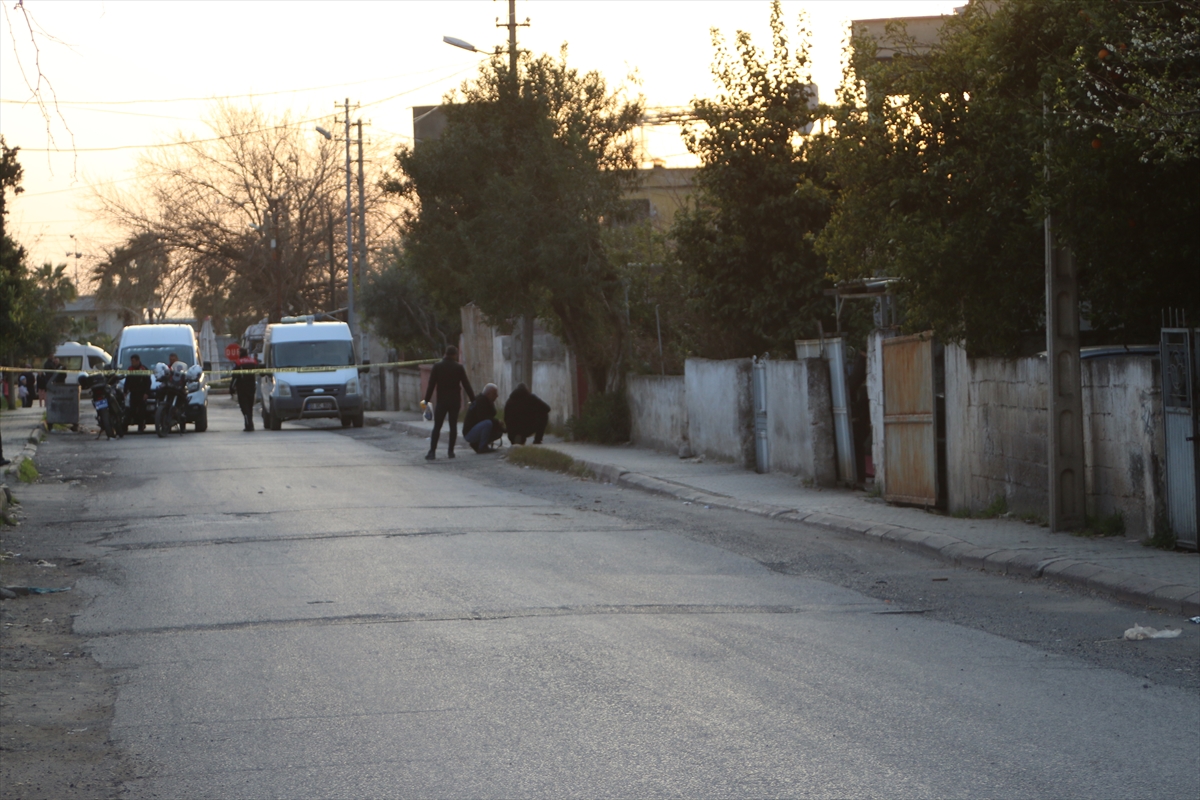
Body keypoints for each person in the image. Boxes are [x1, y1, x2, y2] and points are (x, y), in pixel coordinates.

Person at [423, 345, 475, 460]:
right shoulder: (459, 367)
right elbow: (466, 384)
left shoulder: (437, 367)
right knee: (453, 426)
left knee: (437, 426)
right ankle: (450, 451)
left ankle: (432, 451)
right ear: (454, 355)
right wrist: (473, 399)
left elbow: (431, 385)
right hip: (455, 401)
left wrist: (426, 400)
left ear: (445, 354)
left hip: (442, 401)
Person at [462, 383, 505, 454]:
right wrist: (497, 422)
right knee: (488, 423)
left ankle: (477, 444)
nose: (496, 396)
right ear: (488, 394)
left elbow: (493, 413)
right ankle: (482, 447)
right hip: (469, 433)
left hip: (475, 430)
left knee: (497, 432)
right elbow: (483, 418)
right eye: (494, 394)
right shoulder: (481, 401)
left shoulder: (486, 400)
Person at [232, 348, 258, 431]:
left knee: (244, 407)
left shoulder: (239, 362)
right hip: (252, 387)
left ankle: (248, 424)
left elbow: (235, 376)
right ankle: (250, 423)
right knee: (250, 406)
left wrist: (232, 388)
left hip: (242, 388)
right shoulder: (253, 361)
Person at [124, 354, 152, 433]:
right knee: (131, 410)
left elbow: (148, 382)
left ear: (138, 361)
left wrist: (146, 393)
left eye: (133, 361)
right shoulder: (130, 369)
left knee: (141, 411)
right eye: (131, 361)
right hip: (133, 393)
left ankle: (141, 427)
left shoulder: (143, 369)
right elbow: (127, 381)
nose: (132, 363)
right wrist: (125, 391)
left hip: (141, 394)